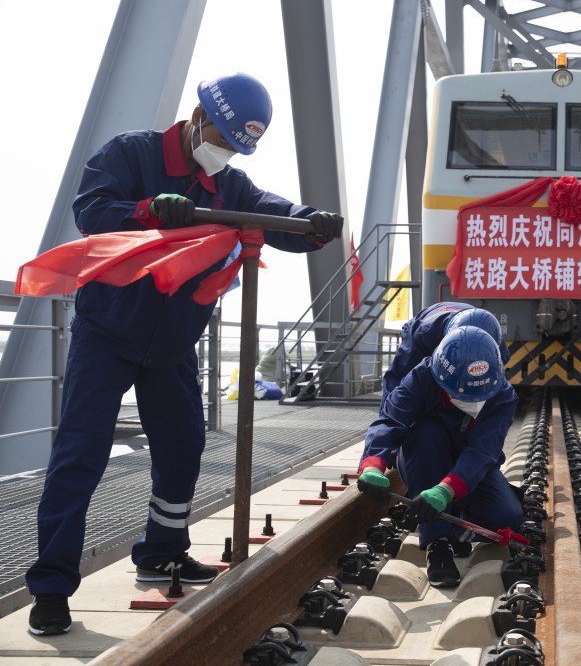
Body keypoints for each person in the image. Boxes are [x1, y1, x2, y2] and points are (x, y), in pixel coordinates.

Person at [26, 72, 345, 636]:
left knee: (182, 446)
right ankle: (51, 586)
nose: (223, 154)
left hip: (171, 343)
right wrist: (148, 209)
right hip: (108, 333)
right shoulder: (130, 154)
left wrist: (311, 224)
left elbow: (273, 213)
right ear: (198, 119)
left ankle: (162, 551)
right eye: (221, 140)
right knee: (80, 455)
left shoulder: (231, 186)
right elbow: (93, 210)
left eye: (234, 148)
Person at [357, 326, 522, 588]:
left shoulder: (502, 395)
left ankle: (450, 521)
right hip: (426, 455)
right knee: (425, 432)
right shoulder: (422, 377)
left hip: (468, 463)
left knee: (506, 519)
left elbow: (483, 451)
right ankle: (438, 542)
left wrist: (446, 490)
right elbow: (391, 420)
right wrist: (373, 464)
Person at [381, 302, 511, 409]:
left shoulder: (494, 340)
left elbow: (496, 374)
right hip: (425, 327)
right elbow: (396, 377)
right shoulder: (424, 336)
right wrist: (387, 416)